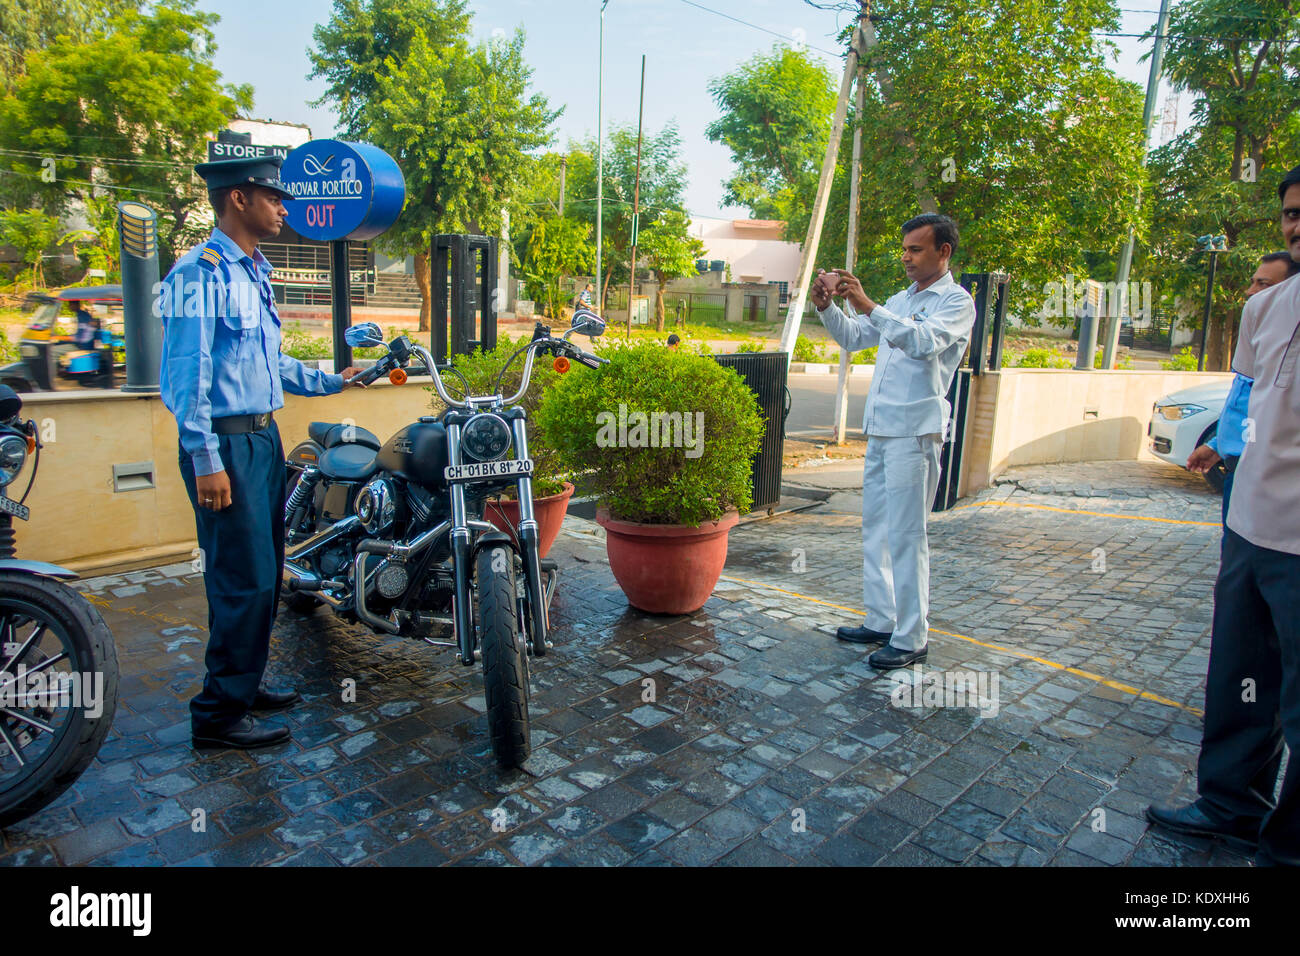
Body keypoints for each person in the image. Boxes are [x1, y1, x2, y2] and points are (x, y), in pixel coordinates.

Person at [159, 155, 369, 750]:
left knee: (264, 573)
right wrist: (205, 460)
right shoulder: (198, 274)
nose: (284, 207)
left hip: (259, 437)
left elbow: (271, 366)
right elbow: (184, 375)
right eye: (272, 197)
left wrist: (335, 379)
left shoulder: (252, 271)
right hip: (224, 442)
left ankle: (243, 684)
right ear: (238, 200)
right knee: (239, 578)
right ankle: (219, 715)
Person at [1146, 164, 1300, 866]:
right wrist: (1216, 447)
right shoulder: (1267, 307)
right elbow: (1253, 398)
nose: (1296, 225)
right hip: (1250, 524)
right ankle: (1229, 805)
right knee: (1240, 678)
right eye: (1292, 213)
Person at [810, 213, 976, 670]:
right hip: (881, 429)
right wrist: (829, 307)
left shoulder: (956, 303)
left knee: (906, 535)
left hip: (915, 433)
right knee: (877, 531)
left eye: (916, 249)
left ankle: (911, 636)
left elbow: (922, 342)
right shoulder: (902, 298)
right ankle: (882, 620)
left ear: (943, 252)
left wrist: (867, 304)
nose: (905, 257)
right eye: (904, 248)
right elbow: (855, 337)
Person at [1185, 251, 1300, 519]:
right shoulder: (1260, 338)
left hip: (1267, 479)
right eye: (1254, 282)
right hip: (1238, 468)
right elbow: (1245, 402)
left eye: (1264, 285)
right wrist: (1217, 445)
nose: (1250, 292)